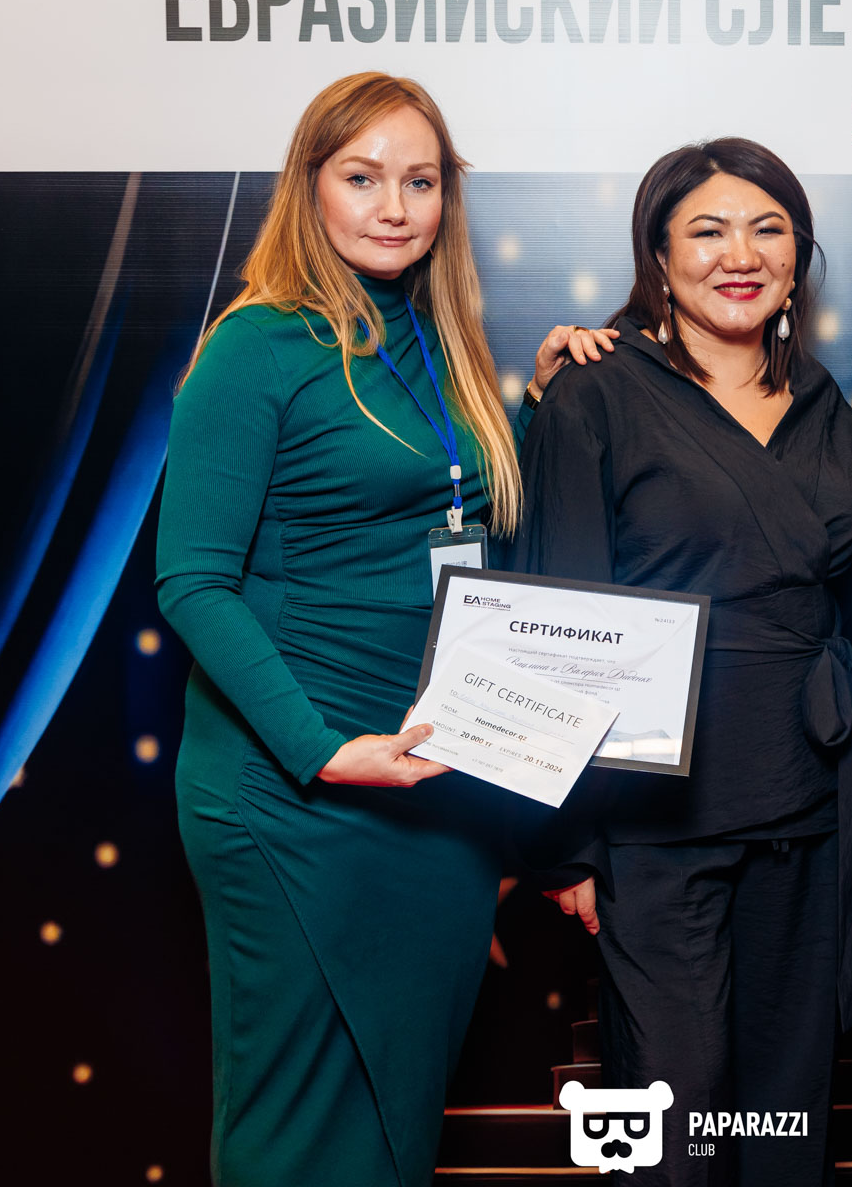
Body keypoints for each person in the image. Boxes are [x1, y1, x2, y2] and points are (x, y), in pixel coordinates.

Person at [156, 71, 611, 1187]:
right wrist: (322, 751)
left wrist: (539, 406)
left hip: (433, 785)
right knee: (300, 1122)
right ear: (309, 184)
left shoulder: (434, 334)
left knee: (394, 1122)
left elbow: (445, 499)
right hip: (297, 792)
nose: (395, 207)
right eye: (363, 178)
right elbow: (192, 583)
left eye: (421, 181)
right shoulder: (254, 346)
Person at [518, 138, 852, 1186]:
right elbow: (556, 612)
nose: (741, 254)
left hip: (806, 807)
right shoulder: (594, 393)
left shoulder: (824, 401)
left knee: (783, 1126)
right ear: (659, 256)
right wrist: (566, 847)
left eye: (769, 230)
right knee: (676, 1135)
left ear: (798, 256)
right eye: (708, 231)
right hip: (654, 824)